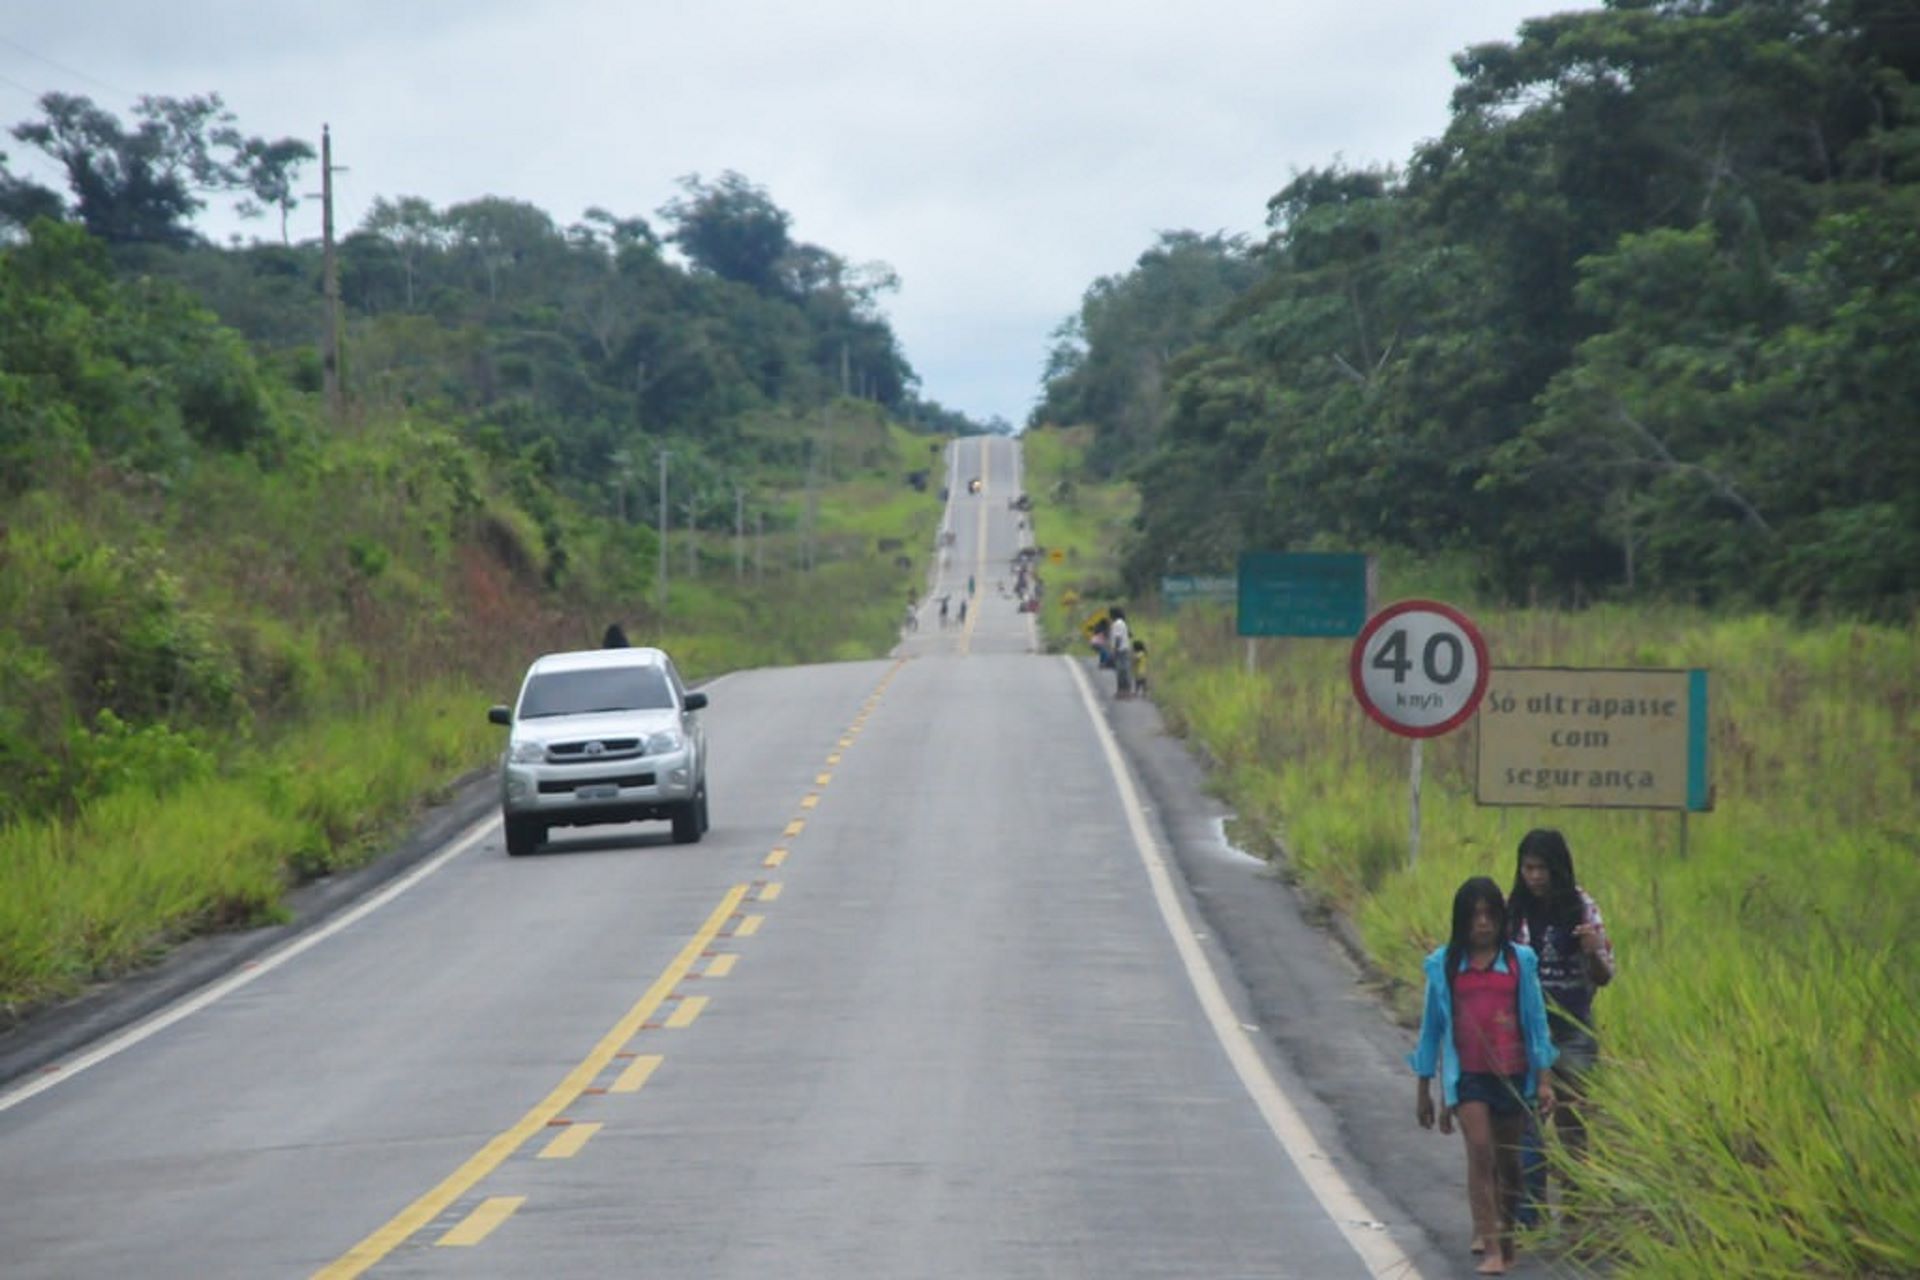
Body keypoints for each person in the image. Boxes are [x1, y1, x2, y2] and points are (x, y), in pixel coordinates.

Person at [1412, 877, 1557, 1274]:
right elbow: (1431, 1030)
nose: (1482, 923)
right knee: (1480, 1151)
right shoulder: (1444, 965)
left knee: (1509, 1166)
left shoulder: (1519, 962)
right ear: (1461, 920)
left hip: (1512, 1076)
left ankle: (1506, 1237)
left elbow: (1536, 1023)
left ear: (1501, 918)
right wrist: (1425, 1087)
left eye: (1490, 914)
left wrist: (1544, 1079)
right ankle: (1491, 1246)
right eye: (1474, 915)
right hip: (1469, 1077)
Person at [1507, 829, 1614, 1223]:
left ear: (1558, 869)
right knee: (1527, 1123)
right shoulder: (1514, 910)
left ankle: (1576, 1215)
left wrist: (1593, 951)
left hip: (1572, 1028)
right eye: (1528, 868)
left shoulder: (1582, 907)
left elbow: (1604, 975)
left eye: (1542, 869)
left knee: (1573, 1124)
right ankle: (1529, 1212)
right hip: (1527, 1030)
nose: (1535, 877)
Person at [1108, 607, 1133, 698]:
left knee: (1121, 671)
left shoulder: (1117, 624)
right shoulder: (1123, 623)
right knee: (1125, 670)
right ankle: (1126, 691)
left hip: (1120, 650)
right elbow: (1130, 634)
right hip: (1125, 648)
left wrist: (1114, 650)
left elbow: (1117, 638)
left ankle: (1122, 691)